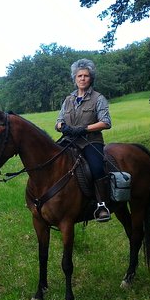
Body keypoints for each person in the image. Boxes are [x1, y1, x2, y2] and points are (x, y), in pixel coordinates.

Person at [55, 58, 112, 222]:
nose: (82, 78)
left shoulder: (98, 98)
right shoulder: (68, 99)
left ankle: (102, 205)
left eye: (86, 76)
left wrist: (84, 129)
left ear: (91, 78)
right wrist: (62, 127)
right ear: (75, 78)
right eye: (79, 76)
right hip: (69, 140)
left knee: (96, 167)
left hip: (90, 142)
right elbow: (58, 121)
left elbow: (106, 122)